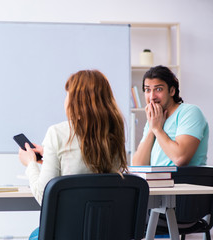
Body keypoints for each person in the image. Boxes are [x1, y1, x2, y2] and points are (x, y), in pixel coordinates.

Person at [18, 69, 128, 239]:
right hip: (106, 232)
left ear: (76, 102)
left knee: (35, 235)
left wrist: (31, 163)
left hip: (67, 233)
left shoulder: (57, 133)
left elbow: (44, 197)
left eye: (67, 94)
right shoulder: (115, 134)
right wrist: (50, 156)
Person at [132, 65, 208, 166]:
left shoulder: (190, 112)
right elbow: (138, 164)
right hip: (157, 181)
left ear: (172, 91)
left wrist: (157, 130)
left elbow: (180, 158)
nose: (152, 97)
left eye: (158, 89)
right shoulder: (154, 120)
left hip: (184, 180)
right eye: (148, 90)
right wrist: (151, 129)